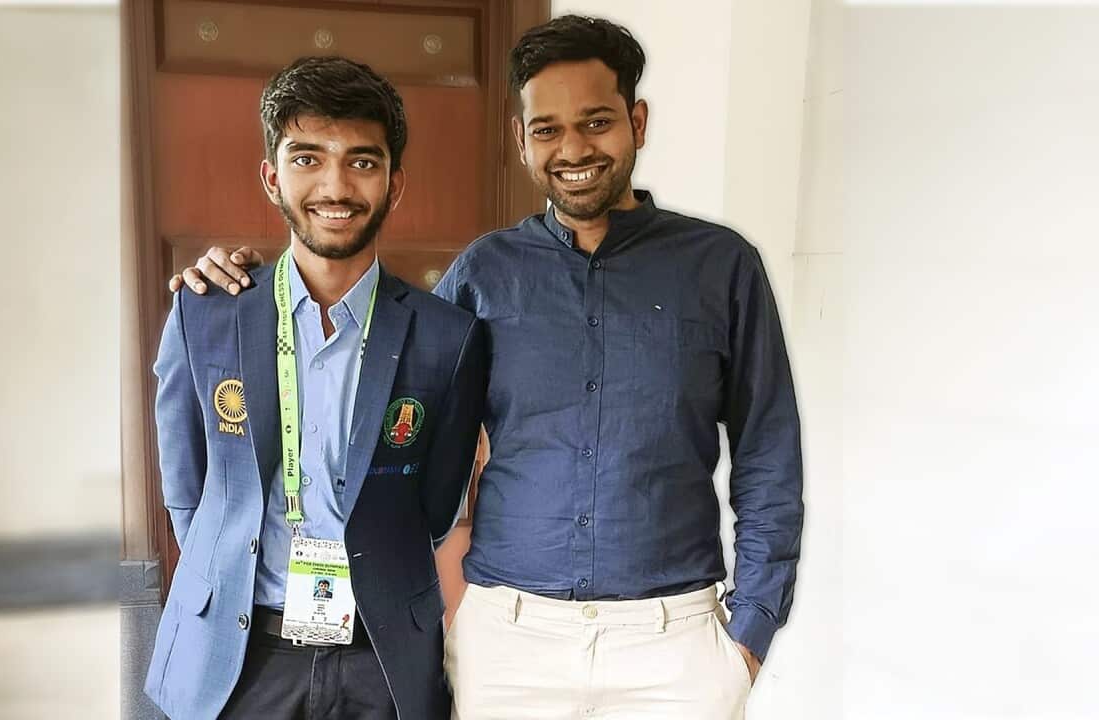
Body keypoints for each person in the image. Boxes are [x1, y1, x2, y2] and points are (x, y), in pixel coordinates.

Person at [173, 15, 802, 720]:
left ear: (638, 121)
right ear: (521, 139)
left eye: (596, 123)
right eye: (547, 130)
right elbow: (384, 399)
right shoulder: (483, 275)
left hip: (674, 647)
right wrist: (243, 286)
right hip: (510, 646)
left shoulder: (722, 268)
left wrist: (748, 634)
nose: (573, 149)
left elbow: (769, 457)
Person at [145, 56, 488, 720]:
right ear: (273, 177)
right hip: (239, 658)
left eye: (362, 162)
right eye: (308, 158)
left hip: (379, 658)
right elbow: (188, 494)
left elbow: (438, 507)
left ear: (395, 184)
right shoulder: (206, 312)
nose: (335, 185)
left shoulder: (449, 339)